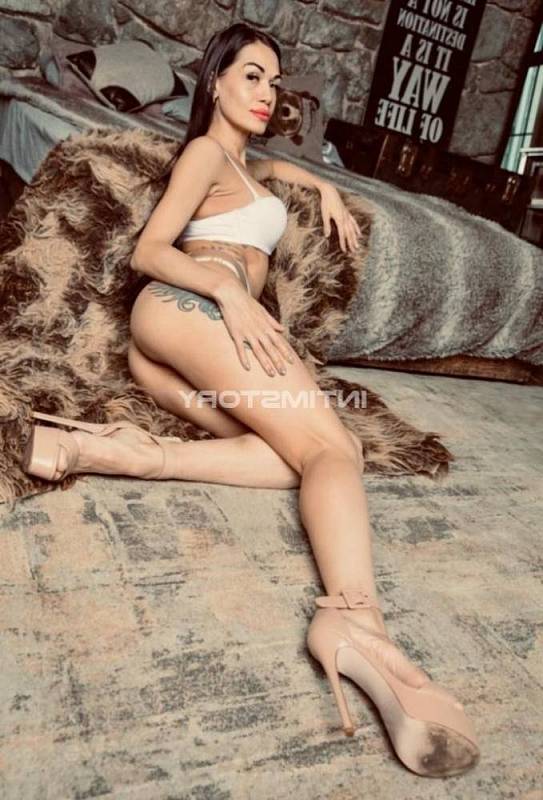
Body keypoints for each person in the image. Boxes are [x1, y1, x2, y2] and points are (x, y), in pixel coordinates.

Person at [21, 22, 480, 777]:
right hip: (190, 308)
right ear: (215, 83)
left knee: (301, 455)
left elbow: (278, 171)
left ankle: (110, 452)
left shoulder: (245, 164)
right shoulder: (204, 153)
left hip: (175, 341)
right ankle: (357, 623)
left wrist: (324, 185)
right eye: (252, 77)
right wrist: (232, 294)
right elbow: (150, 250)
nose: (268, 94)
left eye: (275, 81)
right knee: (333, 449)